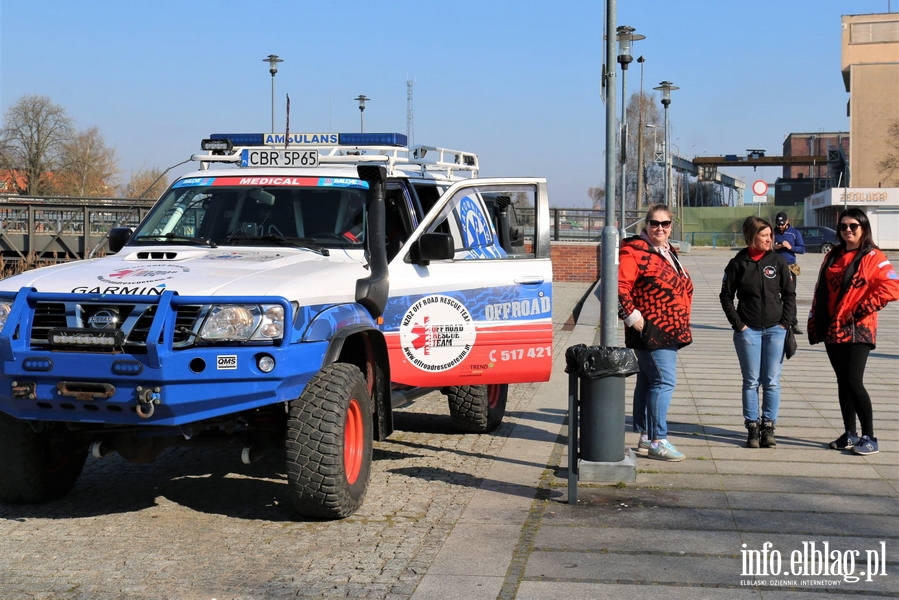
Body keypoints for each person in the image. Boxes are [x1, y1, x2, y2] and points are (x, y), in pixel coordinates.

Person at [808, 208, 899, 455]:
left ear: (863, 228)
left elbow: (893, 285)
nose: (847, 230)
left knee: (853, 381)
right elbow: (822, 290)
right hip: (833, 327)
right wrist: (815, 318)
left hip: (859, 328)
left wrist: (864, 306)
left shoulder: (873, 256)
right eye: (843, 227)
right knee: (842, 382)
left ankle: (870, 436)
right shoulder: (833, 255)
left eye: (853, 226)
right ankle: (850, 433)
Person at [618, 204, 693, 462]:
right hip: (652, 330)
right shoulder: (634, 251)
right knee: (664, 382)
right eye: (654, 223)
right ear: (646, 225)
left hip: (668, 329)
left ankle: (645, 436)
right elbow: (619, 286)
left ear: (671, 226)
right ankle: (657, 439)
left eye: (665, 224)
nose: (660, 228)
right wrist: (633, 318)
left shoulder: (666, 251)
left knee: (649, 381)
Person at [720, 216, 796, 449]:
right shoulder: (737, 263)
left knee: (772, 381)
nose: (769, 239)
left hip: (776, 329)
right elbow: (725, 296)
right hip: (748, 332)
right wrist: (739, 325)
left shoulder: (778, 261)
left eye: (770, 235)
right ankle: (752, 427)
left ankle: (769, 427)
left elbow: (789, 294)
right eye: (764, 235)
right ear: (751, 236)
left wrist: (785, 323)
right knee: (751, 381)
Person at [773, 212, 806, 334]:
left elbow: (802, 249)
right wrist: (773, 247)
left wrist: (790, 247)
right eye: (778, 224)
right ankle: (776, 321)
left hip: (790, 267)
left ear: (788, 221)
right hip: (775, 266)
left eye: (782, 224)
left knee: (790, 295)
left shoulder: (794, 232)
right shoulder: (772, 232)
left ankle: (794, 323)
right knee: (774, 294)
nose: (780, 227)